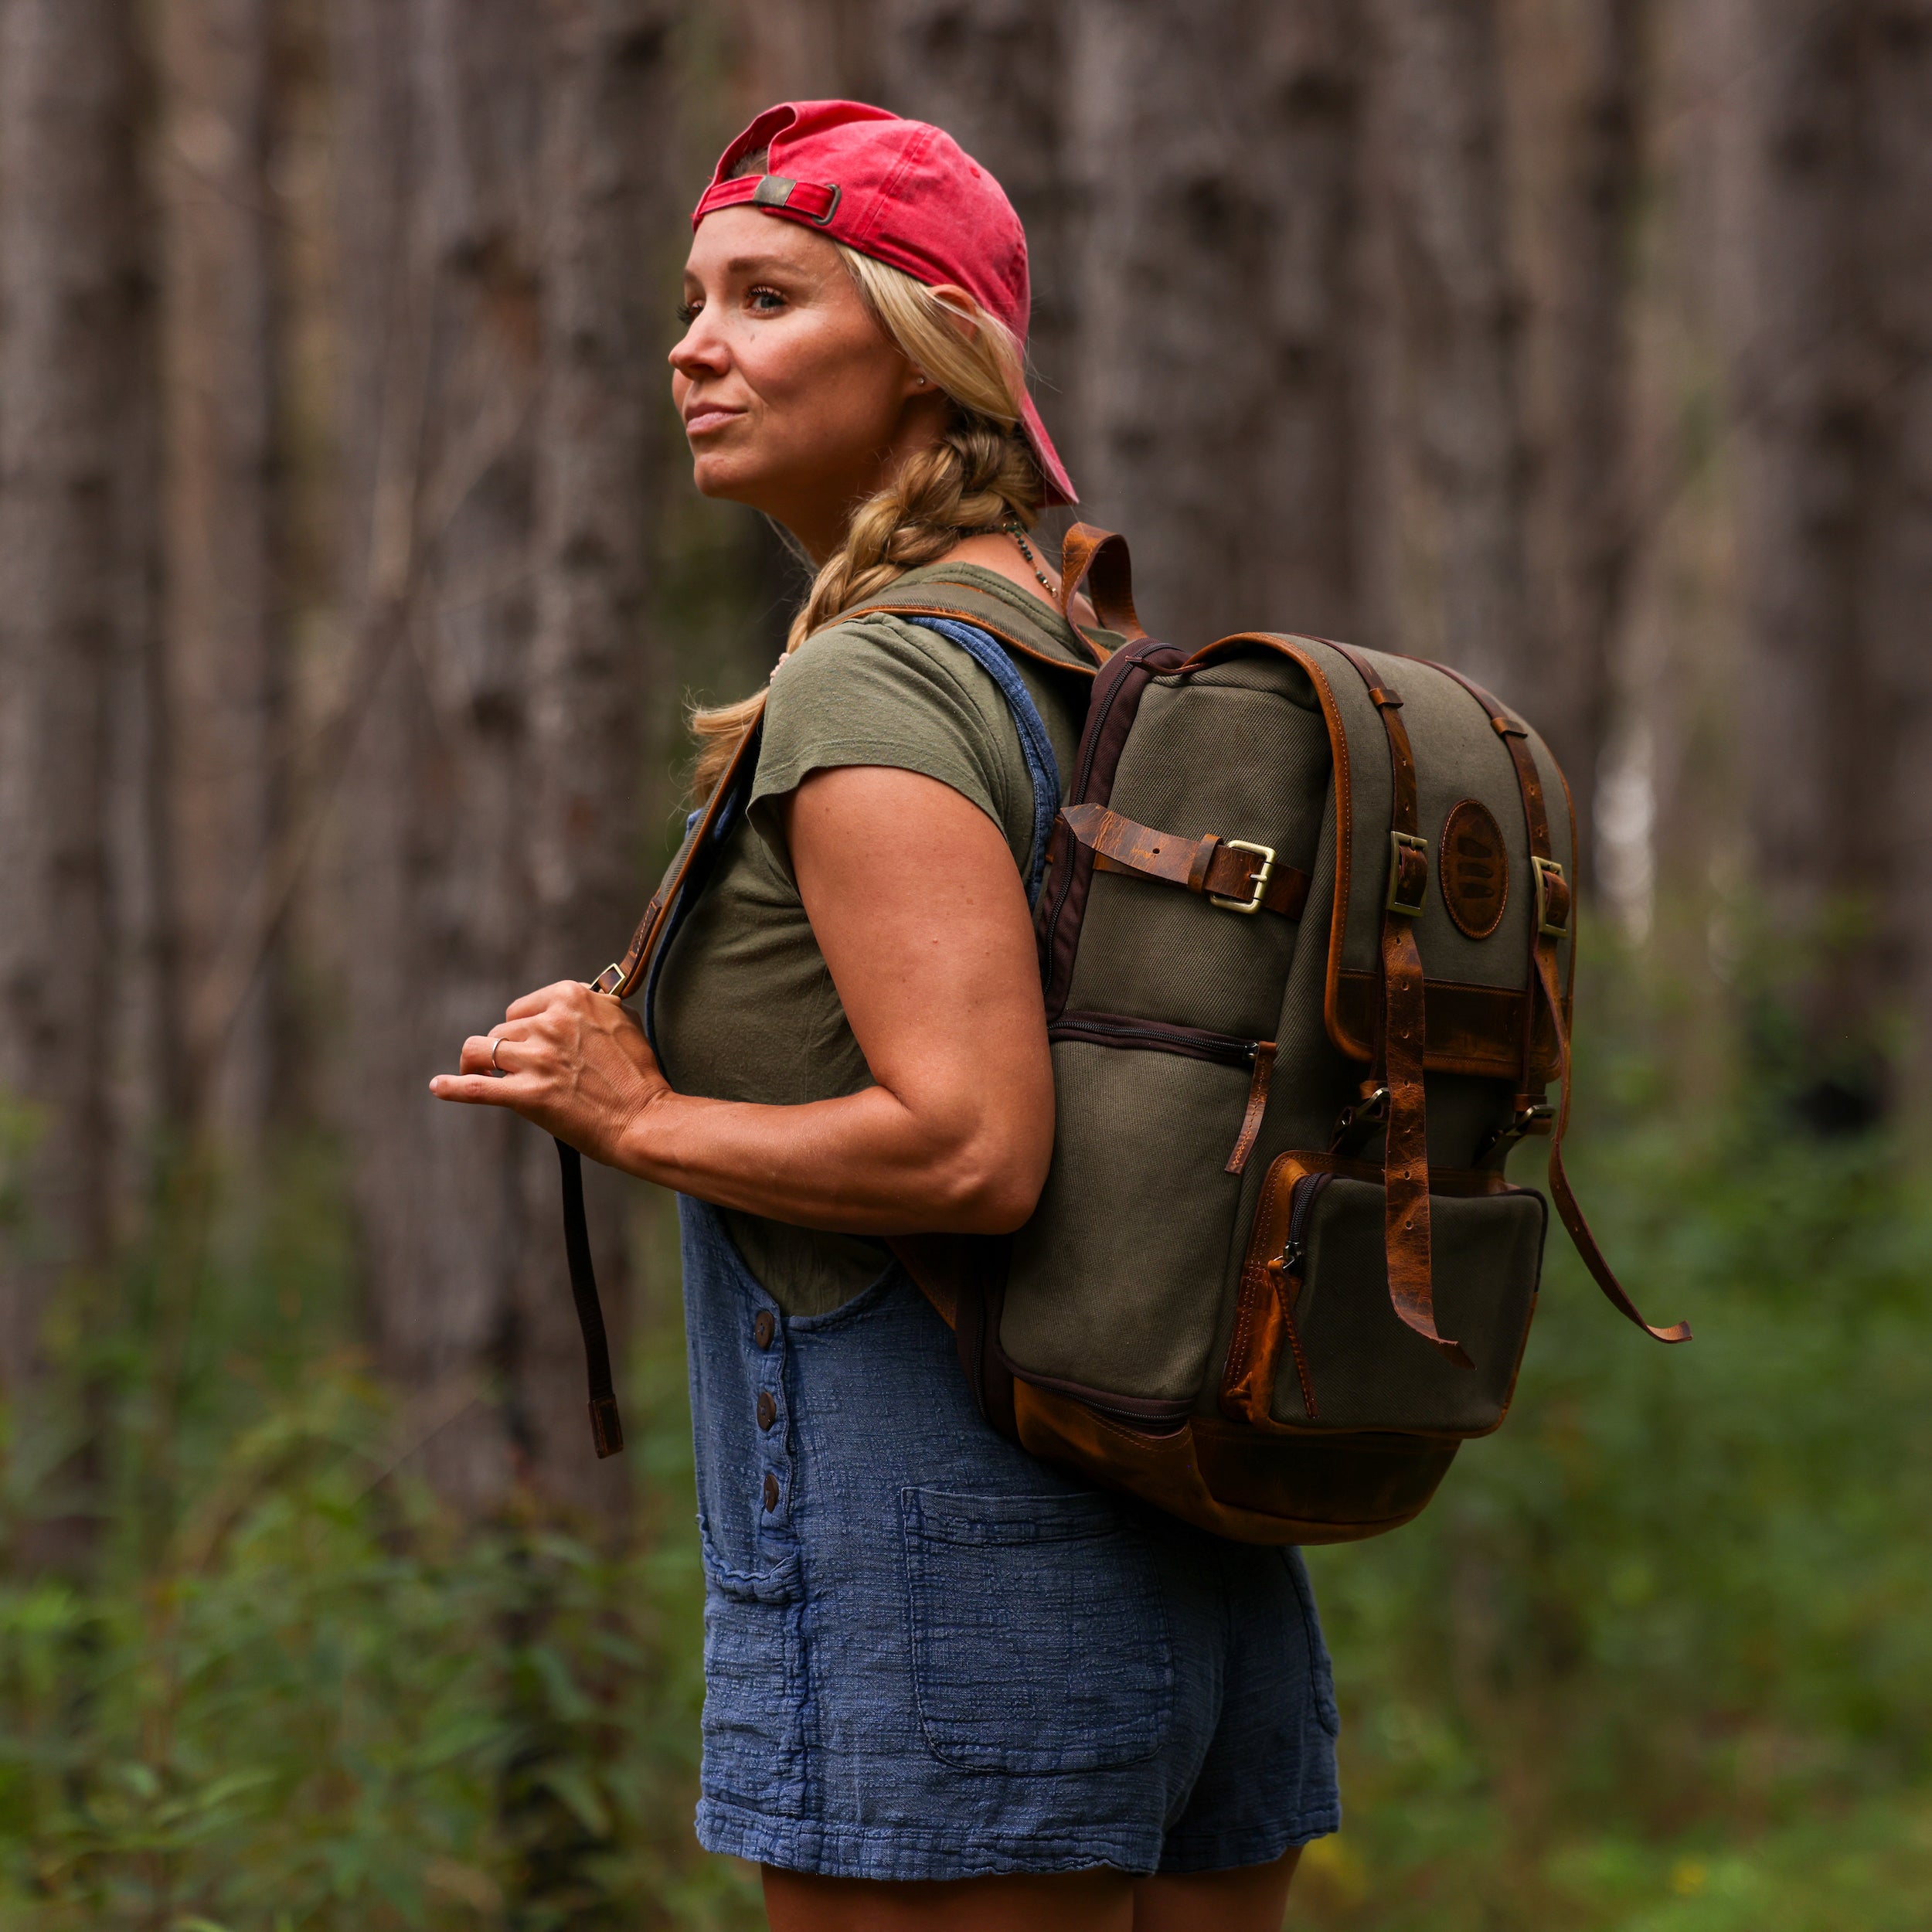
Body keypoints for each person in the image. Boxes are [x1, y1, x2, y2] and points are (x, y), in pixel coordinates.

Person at [432, 100, 1339, 1932]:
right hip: (1186, 1540)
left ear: (927, 355)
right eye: (693, 299)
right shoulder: (1080, 651)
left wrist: (632, 1115)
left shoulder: (873, 677)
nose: (694, 343)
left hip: (944, 1584)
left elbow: (973, 1143)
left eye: (767, 297)